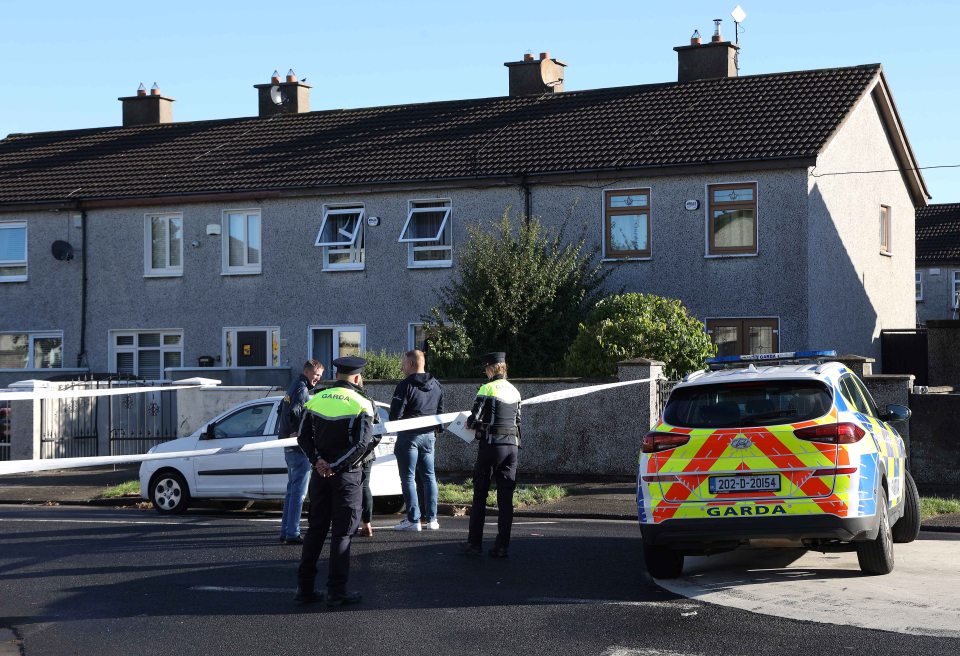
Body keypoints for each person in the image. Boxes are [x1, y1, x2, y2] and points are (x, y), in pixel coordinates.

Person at [294, 356, 378, 606]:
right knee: (342, 534)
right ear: (356, 377)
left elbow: (302, 437)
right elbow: (363, 444)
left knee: (316, 531)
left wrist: (318, 460)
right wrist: (336, 465)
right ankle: (336, 591)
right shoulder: (362, 402)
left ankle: (305, 589)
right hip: (346, 477)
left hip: (319, 476)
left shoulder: (316, 398)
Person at [462, 352, 521, 558]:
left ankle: (474, 543)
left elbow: (473, 419)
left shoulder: (486, 388)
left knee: (480, 494)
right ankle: (502, 546)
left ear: (491, 368)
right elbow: (518, 420)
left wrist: (470, 424)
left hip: (491, 446)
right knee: (506, 499)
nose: (485, 372)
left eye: (485, 368)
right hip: (512, 447)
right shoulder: (515, 391)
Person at [389, 349, 443, 531]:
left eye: (404, 363)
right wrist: (438, 430)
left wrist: (393, 424)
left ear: (411, 364)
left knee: (408, 478)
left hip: (408, 436)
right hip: (429, 436)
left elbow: (395, 414)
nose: (402, 366)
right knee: (429, 477)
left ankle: (413, 520)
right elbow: (440, 412)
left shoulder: (405, 385)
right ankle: (432, 519)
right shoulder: (436, 384)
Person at [277, 359, 323, 545]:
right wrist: (297, 431)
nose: (318, 378)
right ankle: (292, 533)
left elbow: (282, 409)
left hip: (288, 445)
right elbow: (295, 413)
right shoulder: (301, 389)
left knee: (291, 490)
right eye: (316, 374)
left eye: (319, 375)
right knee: (299, 492)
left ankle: (285, 530)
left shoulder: (293, 386)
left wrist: (289, 431)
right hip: (298, 447)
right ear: (307, 372)